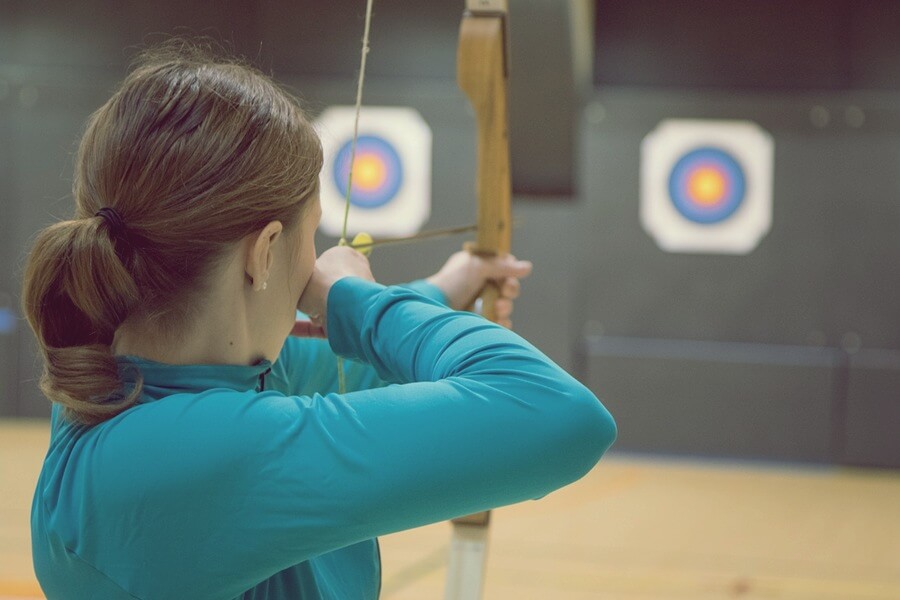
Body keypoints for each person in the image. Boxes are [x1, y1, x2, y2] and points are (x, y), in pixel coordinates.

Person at [22, 42, 616, 600]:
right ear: (263, 252)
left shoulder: (123, 376)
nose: (315, 261)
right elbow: (561, 415)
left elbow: (348, 370)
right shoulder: (186, 459)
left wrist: (441, 292)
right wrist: (352, 297)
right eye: (313, 237)